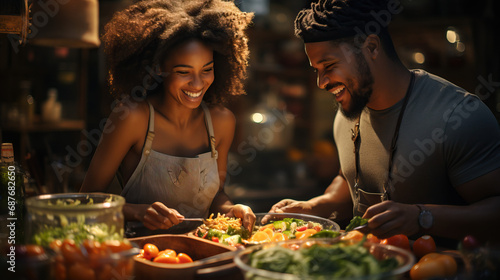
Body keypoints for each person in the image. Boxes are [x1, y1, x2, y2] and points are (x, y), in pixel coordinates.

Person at [270, 0, 500, 247]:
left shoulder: (458, 116)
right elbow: (349, 180)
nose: (321, 82)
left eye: (329, 66)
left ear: (371, 47)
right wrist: (314, 206)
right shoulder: (347, 113)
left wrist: (422, 217)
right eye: (316, 69)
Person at [80, 0, 256, 237]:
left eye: (207, 70)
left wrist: (232, 208)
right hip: (142, 255)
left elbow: (215, 195)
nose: (197, 83)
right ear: (157, 68)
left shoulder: (222, 122)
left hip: (199, 252)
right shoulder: (132, 118)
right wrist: (137, 212)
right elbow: (86, 199)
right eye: (183, 72)